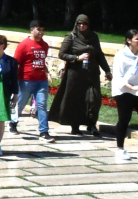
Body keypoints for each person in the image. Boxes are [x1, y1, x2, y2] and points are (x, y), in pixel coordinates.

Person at [50, 14, 112, 137]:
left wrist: (107, 70)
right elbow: (62, 54)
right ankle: (75, 125)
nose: (82, 26)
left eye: (84, 24)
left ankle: (91, 124)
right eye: (79, 24)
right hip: (75, 74)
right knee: (76, 99)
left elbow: (99, 54)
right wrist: (77, 58)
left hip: (92, 73)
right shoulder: (71, 37)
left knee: (94, 98)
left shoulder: (93, 36)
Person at [12, 21, 53, 141]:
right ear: (32, 30)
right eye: (38, 29)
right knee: (20, 104)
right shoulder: (23, 45)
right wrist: (13, 80)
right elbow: (16, 63)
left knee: (42, 105)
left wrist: (47, 72)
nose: (41, 32)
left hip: (41, 81)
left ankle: (44, 132)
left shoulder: (44, 45)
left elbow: (42, 61)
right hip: (26, 80)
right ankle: (13, 123)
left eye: (42, 30)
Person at [111, 29, 138, 161]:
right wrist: (131, 87)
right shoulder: (121, 55)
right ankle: (120, 149)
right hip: (123, 90)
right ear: (129, 40)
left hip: (137, 90)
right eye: (137, 39)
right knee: (124, 119)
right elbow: (118, 76)